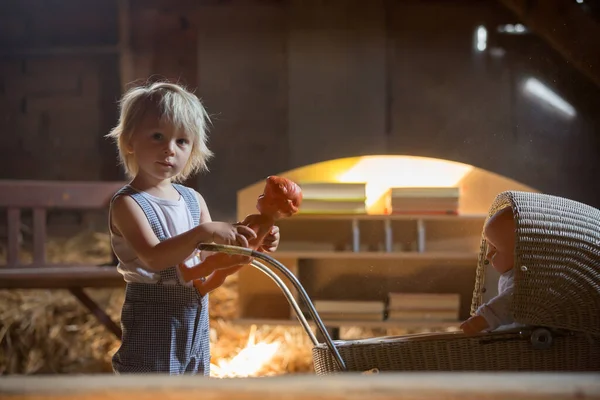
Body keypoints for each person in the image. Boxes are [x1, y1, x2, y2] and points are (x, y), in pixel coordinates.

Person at [105, 81, 280, 375]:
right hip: (153, 315)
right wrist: (204, 231)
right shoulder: (128, 204)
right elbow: (155, 257)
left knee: (194, 385)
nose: (169, 150)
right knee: (153, 387)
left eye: (182, 141)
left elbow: (215, 251)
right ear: (130, 141)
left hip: (195, 312)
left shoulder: (192, 200)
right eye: (157, 136)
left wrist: (254, 238)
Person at [460, 206, 516, 335]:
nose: (488, 255)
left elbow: (511, 302)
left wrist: (483, 319)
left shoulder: (524, 280)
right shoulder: (512, 275)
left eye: (495, 248)